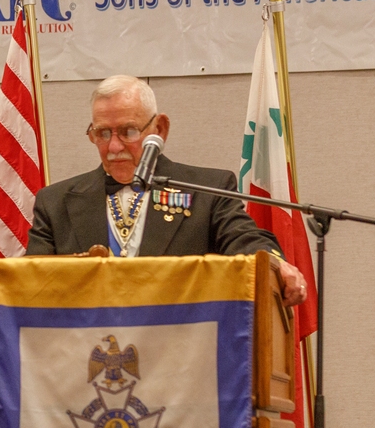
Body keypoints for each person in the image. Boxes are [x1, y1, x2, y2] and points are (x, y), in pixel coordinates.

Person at [27, 75, 308, 305]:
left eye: (128, 131)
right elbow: (30, 283)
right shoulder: (55, 202)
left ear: (159, 129)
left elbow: (243, 239)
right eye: (102, 133)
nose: (114, 146)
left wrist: (275, 264)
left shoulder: (208, 190)